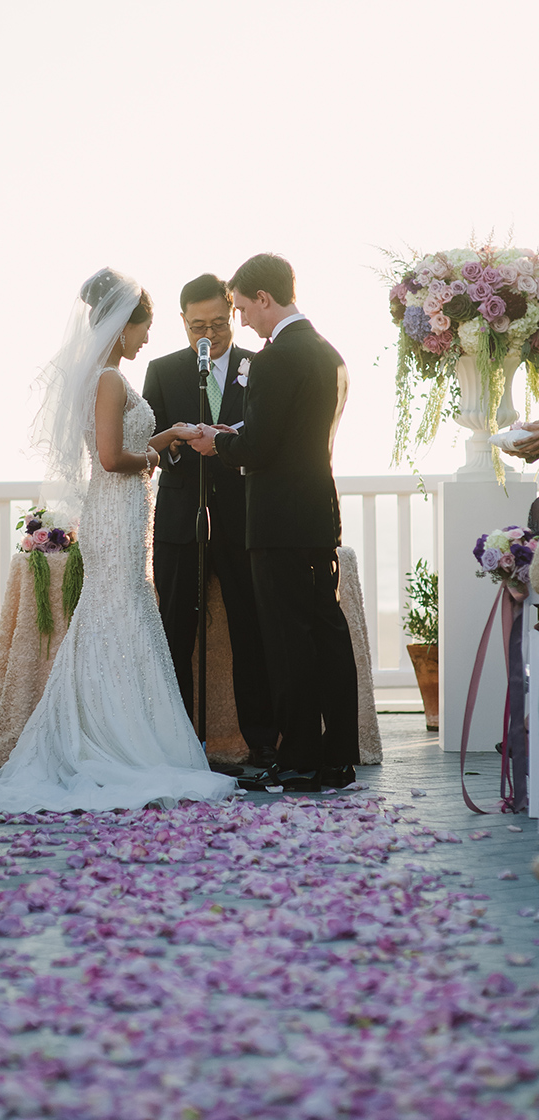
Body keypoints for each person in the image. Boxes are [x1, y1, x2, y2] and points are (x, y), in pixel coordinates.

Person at [0, 268, 235, 813]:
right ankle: (114, 733)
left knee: (116, 613)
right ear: (122, 326)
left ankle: (112, 721)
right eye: (143, 328)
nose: (147, 339)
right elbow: (109, 458)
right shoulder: (109, 380)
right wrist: (154, 457)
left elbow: (120, 443)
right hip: (116, 512)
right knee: (115, 611)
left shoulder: (108, 378)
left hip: (121, 511)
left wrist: (168, 436)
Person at [189, 253, 359, 792]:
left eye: (240, 308)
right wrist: (243, 431)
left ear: (265, 299)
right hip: (315, 514)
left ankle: (299, 759)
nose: (240, 321)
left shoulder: (275, 359)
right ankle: (337, 757)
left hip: (277, 522)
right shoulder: (327, 353)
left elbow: (259, 448)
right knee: (327, 635)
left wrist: (219, 440)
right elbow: (295, 435)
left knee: (289, 643)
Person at [143, 273, 276, 764]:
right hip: (182, 517)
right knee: (176, 630)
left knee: (252, 629)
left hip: (244, 516)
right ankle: (179, 743)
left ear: (232, 316)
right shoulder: (162, 369)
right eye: (198, 325)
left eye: (219, 324)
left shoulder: (260, 365)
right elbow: (150, 441)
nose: (210, 335)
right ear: (182, 322)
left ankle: (261, 742)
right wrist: (178, 443)